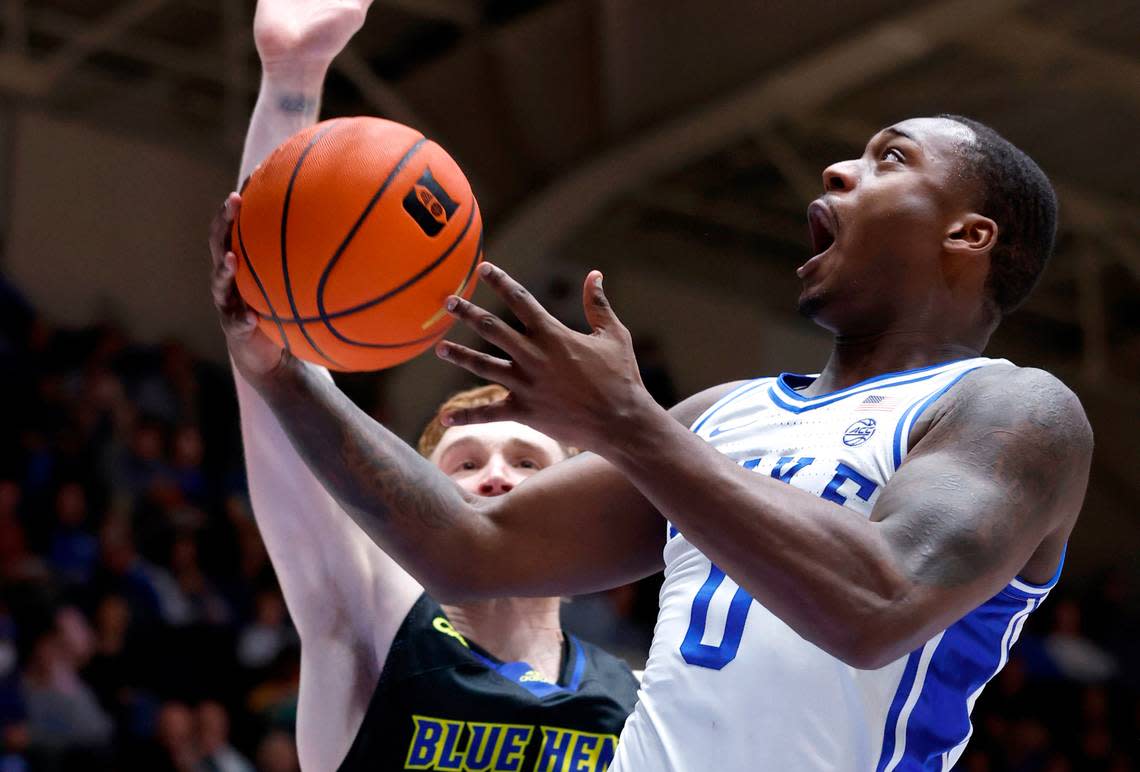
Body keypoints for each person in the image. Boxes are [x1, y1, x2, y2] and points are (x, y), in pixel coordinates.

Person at [210, 6, 1093, 771]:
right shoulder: (720, 416)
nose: (836, 172)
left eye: (889, 159)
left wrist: (628, 423)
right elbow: (470, 548)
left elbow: (877, 605)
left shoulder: (1016, 411)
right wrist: (278, 368)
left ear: (969, 234)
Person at [218, 2, 638, 770]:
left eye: (526, 460)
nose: (496, 476)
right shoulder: (372, 627)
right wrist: (292, 78)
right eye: (464, 464)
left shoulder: (643, 702)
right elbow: (280, 368)